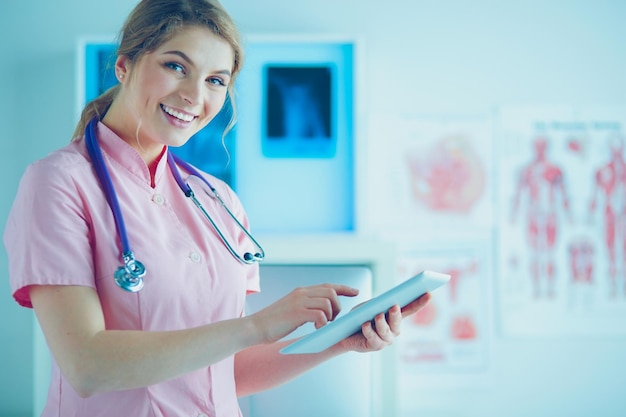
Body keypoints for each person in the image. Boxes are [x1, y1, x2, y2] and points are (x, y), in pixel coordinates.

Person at [3, 1, 431, 416]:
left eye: (215, 80)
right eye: (176, 67)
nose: (194, 95)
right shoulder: (58, 182)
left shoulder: (218, 202)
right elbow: (88, 365)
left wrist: (340, 338)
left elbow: (226, 372)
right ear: (124, 65)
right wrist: (256, 326)